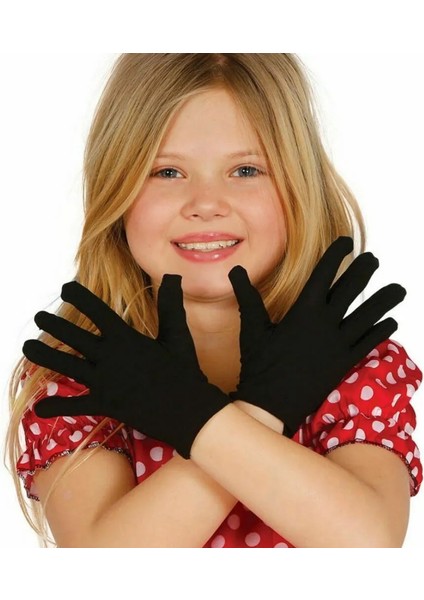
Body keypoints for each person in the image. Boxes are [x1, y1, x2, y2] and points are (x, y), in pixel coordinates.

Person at [5, 53, 422, 548]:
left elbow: (369, 545)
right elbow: (107, 565)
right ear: (116, 191)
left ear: (299, 189)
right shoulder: (81, 373)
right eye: (167, 172)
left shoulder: (354, 364)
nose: (206, 204)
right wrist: (262, 410)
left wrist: (207, 419)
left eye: (245, 170)